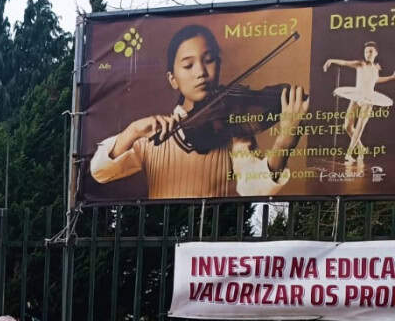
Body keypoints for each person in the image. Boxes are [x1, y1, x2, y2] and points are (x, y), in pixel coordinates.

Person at [90, 23, 308, 199]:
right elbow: (100, 172)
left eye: (209, 61)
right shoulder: (151, 137)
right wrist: (133, 131)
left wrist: (284, 142)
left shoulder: (233, 131)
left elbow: (254, 188)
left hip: (215, 245)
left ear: (219, 66)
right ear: (172, 79)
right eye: (188, 66)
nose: (201, 73)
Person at [325, 43, 395, 164]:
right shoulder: (360, 64)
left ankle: (349, 153)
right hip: (357, 96)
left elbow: (375, 80)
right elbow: (345, 62)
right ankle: (361, 148)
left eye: (370, 51)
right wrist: (331, 60)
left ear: (376, 53)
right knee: (347, 126)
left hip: (368, 99)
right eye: (366, 51)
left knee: (359, 127)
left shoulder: (376, 68)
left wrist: (391, 77)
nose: (368, 54)